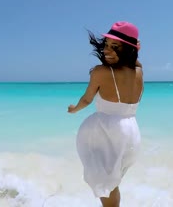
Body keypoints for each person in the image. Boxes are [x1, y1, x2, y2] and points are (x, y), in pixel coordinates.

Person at [68, 21, 143, 207]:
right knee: (113, 184)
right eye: (107, 45)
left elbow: (87, 100)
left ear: (128, 50)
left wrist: (74, 109)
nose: (107, 50)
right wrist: (136, 47)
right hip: (130, 132)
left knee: (105, 183)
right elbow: (135, 60)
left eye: (115, 47)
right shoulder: (139, 71)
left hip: (106, 132)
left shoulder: (100, 72)